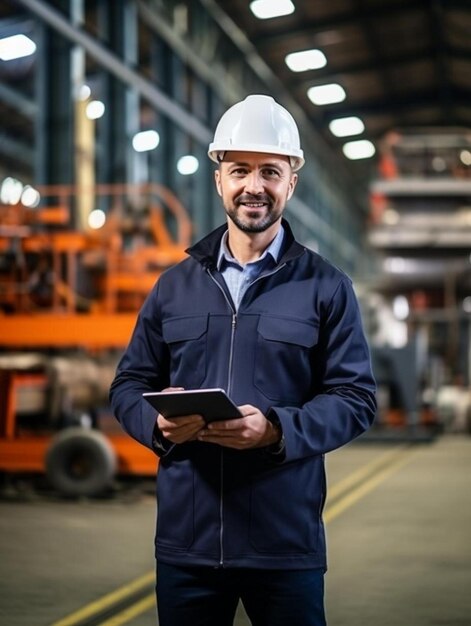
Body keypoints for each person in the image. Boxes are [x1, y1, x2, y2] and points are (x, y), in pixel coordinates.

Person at [110, 94, 377, 626]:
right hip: (188, 544)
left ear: (291, 182)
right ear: (220, 180)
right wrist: (158, 424)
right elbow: (129, 384)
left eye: (270, 171)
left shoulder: (326, 287)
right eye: (240, 171)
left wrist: (277, 430)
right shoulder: (174, 287)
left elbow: (356, 398)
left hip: (283, 545)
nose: (254, 185)